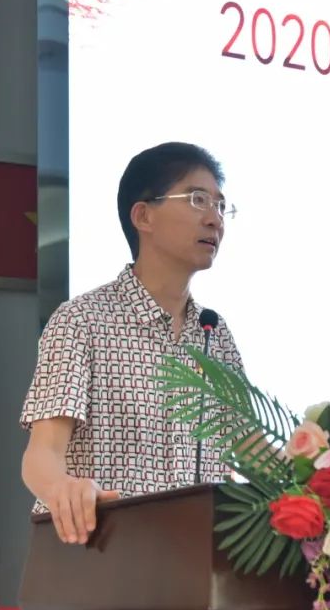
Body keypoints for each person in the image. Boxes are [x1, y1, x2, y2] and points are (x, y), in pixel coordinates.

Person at [19, 142, 244, 545]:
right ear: (143, 215)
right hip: (104, 557)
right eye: (197, 200)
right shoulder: (81, 321)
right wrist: (62, 488)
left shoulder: (214, 332)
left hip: (196, 561)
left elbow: (252, 450)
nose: (215, 219)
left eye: (221, 206)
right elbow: (43, 453)